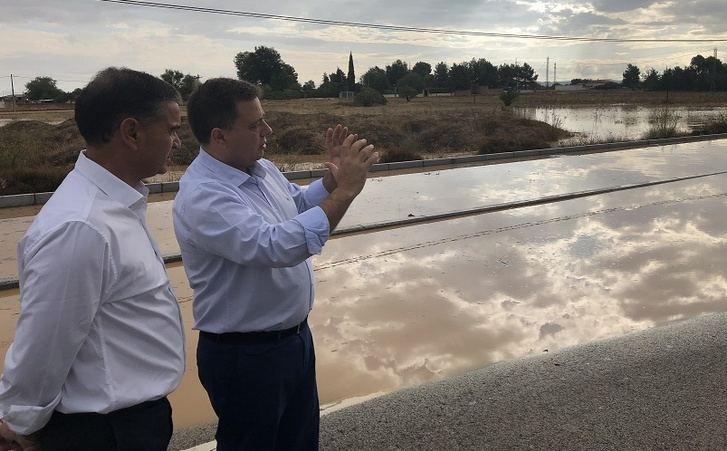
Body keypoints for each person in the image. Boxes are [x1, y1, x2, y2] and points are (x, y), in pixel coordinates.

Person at [172, 77, 378, 450]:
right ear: (219, 136)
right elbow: (275, 246)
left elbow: (295, 207)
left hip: (293, 341)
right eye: (254, 125)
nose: (267, 131)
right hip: (245, 355)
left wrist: (330, 183)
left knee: (299, 442)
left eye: (263, 120)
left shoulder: (260, 168)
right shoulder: (204, 196)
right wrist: (347, 191)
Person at [0, 67, 186, 451]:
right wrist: (19, 423)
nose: (178, 142)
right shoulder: (81, 225)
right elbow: (45, 344)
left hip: (133, 423)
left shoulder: (115, 206)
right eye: (171, 129)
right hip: (104, 433)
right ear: (131, 132)